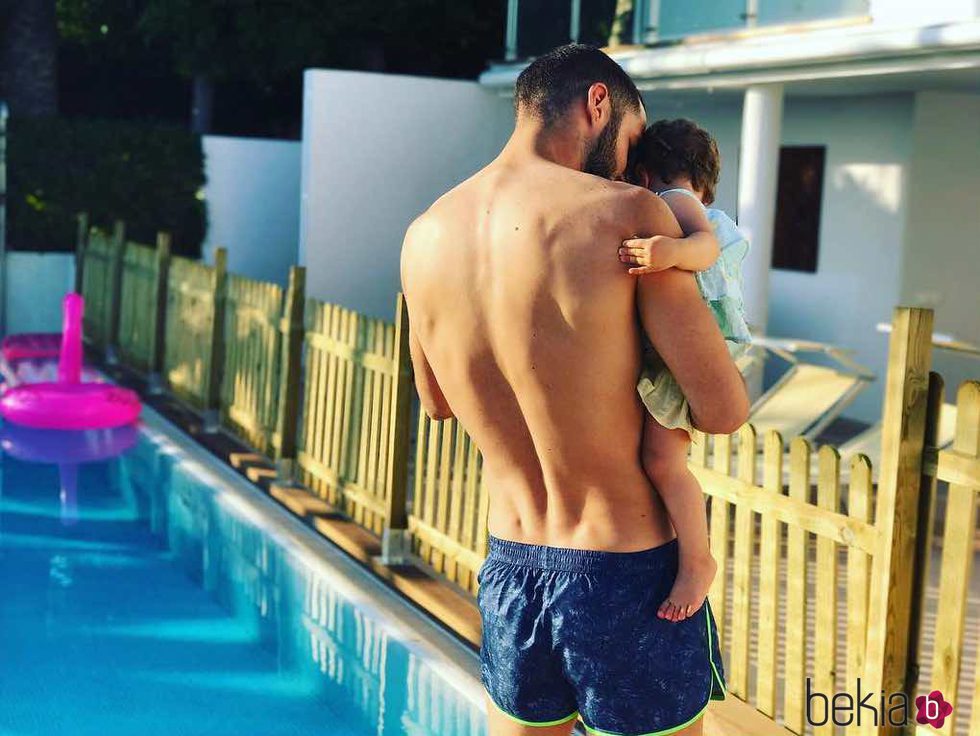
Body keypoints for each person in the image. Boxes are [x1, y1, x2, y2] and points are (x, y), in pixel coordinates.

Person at [400, 44, 749, 736]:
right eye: (627, 140)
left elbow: (436, 402)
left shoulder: (424, 232)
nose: (627, 165)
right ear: (598, 103)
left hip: (509, 564)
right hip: (625, 573)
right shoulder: (627, 215)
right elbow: (722, 409)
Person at [615, 118, 753, 624]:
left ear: (645, 173)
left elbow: (705, 247)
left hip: (682, 356)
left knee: (663, 463)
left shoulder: (673, 200)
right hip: (688, 350)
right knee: (664, 460)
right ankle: (694, 555)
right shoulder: (686, 199)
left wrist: (669, 251)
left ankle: (697, 559)